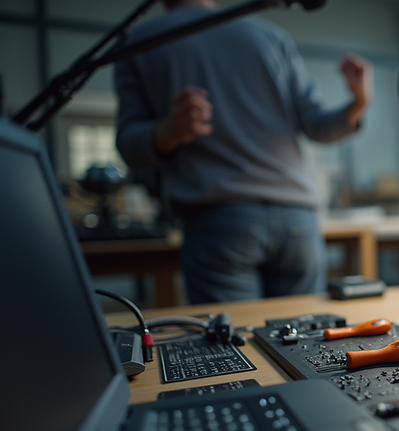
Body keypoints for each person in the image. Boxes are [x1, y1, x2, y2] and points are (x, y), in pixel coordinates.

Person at [114, 0, 371, 304]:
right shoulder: (271, 36)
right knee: (300, 342)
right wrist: (357, 104)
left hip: (221, 220)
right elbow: (317, 126)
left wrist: (167, 132)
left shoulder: (139, 43)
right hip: (297, 221)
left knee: (234, 346)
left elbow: (130, 147)